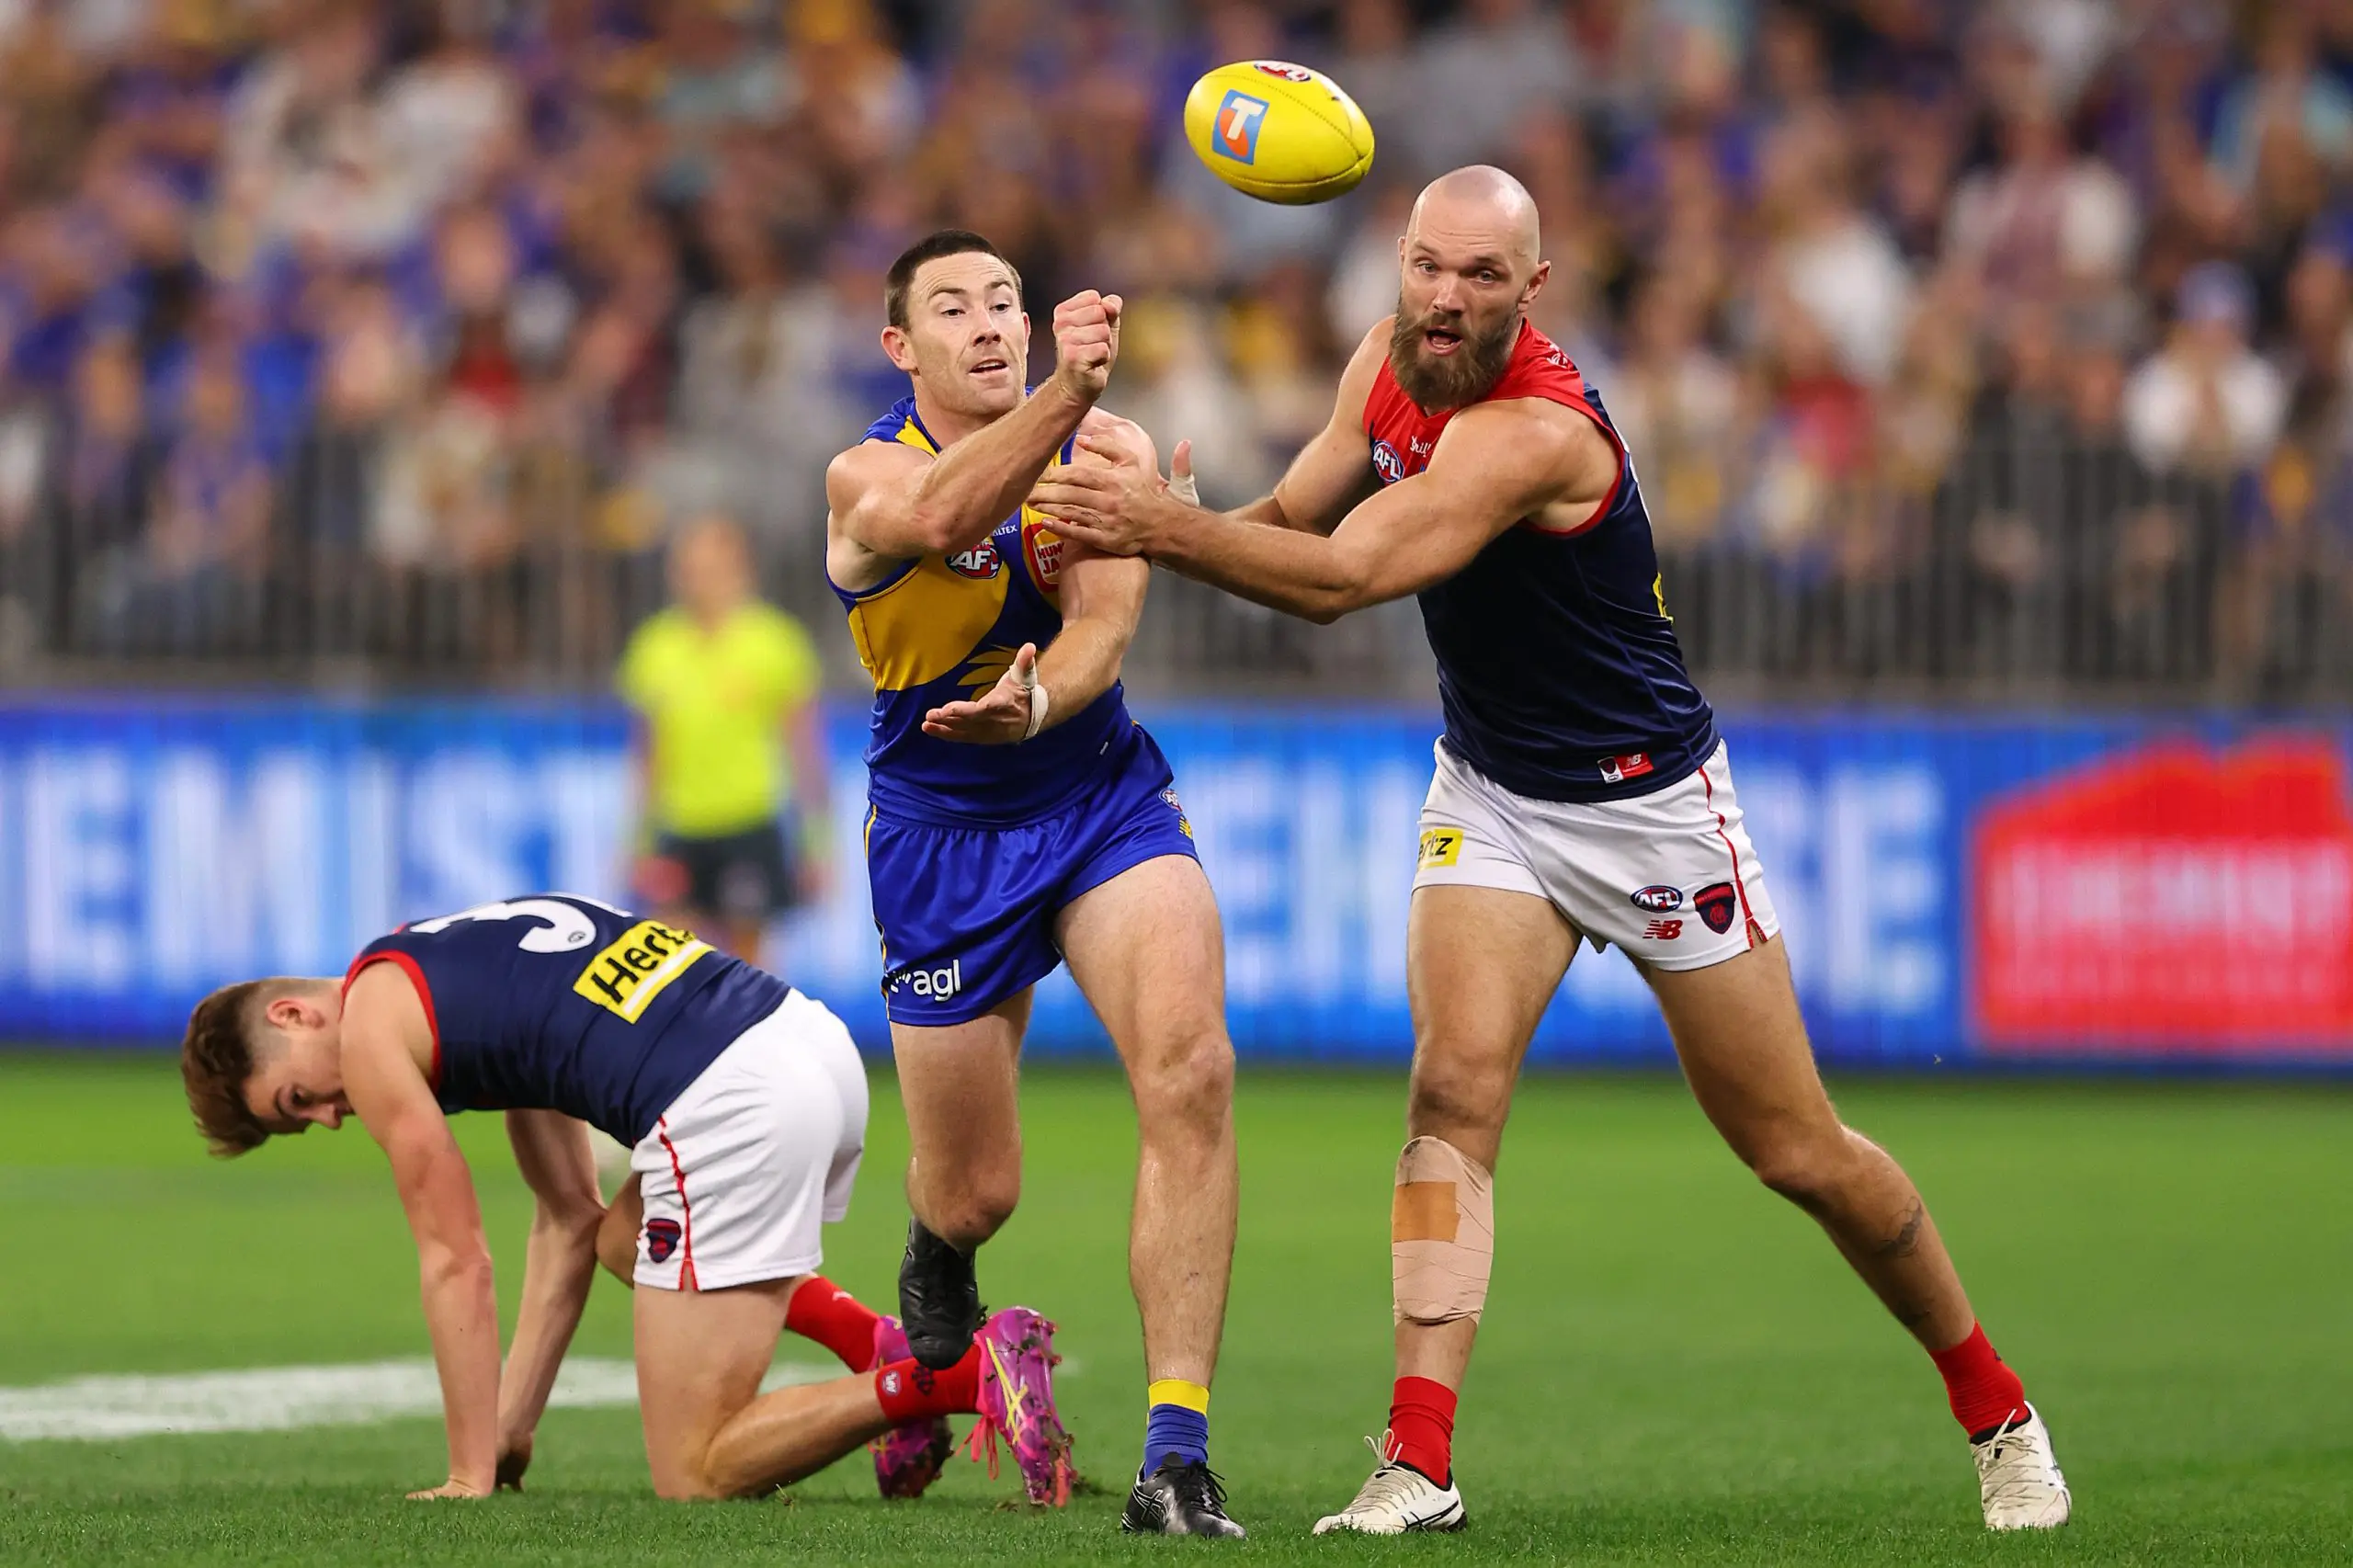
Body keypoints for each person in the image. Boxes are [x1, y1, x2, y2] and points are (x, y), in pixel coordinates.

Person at [1032, 167, 2073, 1537]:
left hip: (1648, 806)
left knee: (1795, 1147)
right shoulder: (1385, 363)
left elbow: (1346, 584)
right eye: (1426, 265)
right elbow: (1291, 528)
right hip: (1498, 792)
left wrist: (1158, 530)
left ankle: (1997, 1409)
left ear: (1536, 288)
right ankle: (1418, 1460)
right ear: (1395, 265)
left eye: (1479, 275)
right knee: (1450, 1092)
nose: (1446, 296)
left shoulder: (1537, 429)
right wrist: (1158, 518)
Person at [822, 230, 1245, 1538]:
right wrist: (1070, 391)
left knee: (1191, 1069)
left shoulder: (1103, 453)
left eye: (1007, 300)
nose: (993, 323)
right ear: (903, 346)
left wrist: (1041, 697)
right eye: (956, 307)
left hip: (1096, 793)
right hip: (943, 836)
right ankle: (939, 1248)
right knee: (974, 1189)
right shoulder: (863, 473)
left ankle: (1176, 1451)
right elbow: (945, 518)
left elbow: (1106, 633)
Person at [176, 892, 1072, 1506]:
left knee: (695, 1467)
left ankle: (952, 1374)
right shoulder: (440, 965)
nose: (333, 1117)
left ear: (294, 1016)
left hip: (732, 1098)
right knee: (619, 1239)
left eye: (302, 1101)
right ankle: (871, 1339)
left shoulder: (373, 1031)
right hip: (807, 1042)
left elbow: (457, 1257)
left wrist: (464, 1470)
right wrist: (506, 1431)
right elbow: (568, 1219)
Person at [618, 512, 832, 969]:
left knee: (748, 970)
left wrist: (816, 843)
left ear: (742, 570)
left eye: (712, 568)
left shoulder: (776, 643)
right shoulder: (655, 647)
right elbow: (647, 757)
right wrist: (637, 843)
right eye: (689, 569)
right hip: (680, 826)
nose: (699, 581)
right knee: (670, 966)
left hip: (748, 824)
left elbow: (806, 754)